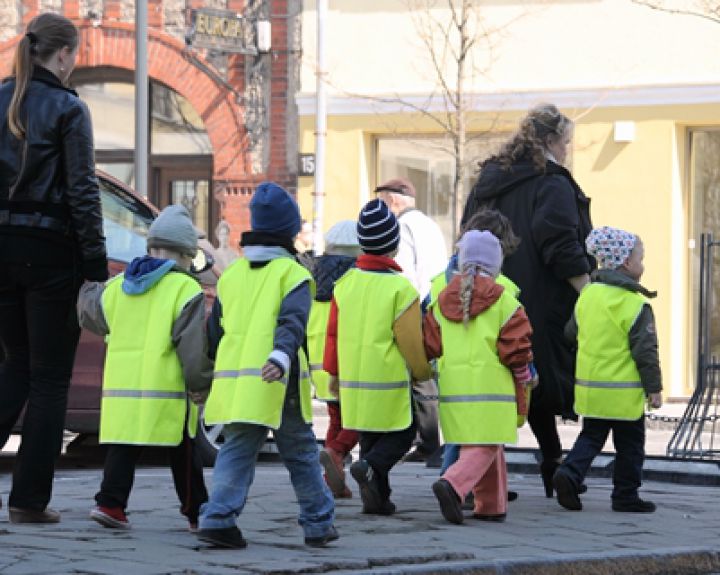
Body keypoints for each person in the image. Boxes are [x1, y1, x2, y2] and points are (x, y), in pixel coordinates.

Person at [0, 13, 108, 523]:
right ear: (64, 54)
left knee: (13, 367)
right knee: (47, 379)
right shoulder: (68, 108)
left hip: (0, 248)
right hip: (50, 252)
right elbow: (83, 191)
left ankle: (26, 499)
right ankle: (27, 502)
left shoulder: (2, 98)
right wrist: (94, 263)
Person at [460, 103, 595, 497]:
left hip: (486, 292)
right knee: (535, 379)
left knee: (499, 381)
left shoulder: (489, 179)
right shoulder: (551, 183)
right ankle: (545, 464)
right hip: (537, 297)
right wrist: (588, 290)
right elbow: (559, 243)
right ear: (552, 140)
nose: (568, 150)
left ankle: (513, 468)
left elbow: (468, 231)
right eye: (566, 142)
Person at [197, 182, 337, 549]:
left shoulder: (233, 276)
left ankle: (217, 518)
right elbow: (292, 322)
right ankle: (318, 521)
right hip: (279, 378)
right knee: (301, 451)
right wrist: (279, 355)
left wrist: (210, 366)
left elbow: (215, 331)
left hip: (240, 384)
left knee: (237, 449)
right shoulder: (292, 274)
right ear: (290, 230)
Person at [77, 205, 212, 530]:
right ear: (185, 254)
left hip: (122, 392)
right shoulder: (185, 290)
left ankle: (110, 504)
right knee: (185, 452)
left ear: (150, 248)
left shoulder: (118, 286)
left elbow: (91, 316)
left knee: (123, 448)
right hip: (166, 393)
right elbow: (192, 348)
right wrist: (200, 384)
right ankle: (198, 511)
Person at [323, 198, 433, 515]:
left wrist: (333, 374)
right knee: (403, 433)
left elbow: (333, 334)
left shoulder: (344, 285)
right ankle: (370, 467)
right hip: (388, 381)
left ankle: (378, 499)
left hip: (354, 381)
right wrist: (422, 372)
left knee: (370, 435)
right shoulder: (401, 290)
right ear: (394, 246)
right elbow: (411, 342)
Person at [424, 230, 534, 524]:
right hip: (493, 391)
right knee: (485, 444)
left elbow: (431, 345)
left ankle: (491, 505)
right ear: (496, 265)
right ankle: (454, 484)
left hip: (454, 389)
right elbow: (516, 346)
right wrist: (524, 373)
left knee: (487, 444)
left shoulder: (441, 301)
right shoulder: (504, 301)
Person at [553, 226, 662, 513]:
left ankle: (569, 473)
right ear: (626, 263)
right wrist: (654, 388)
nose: (643, 264)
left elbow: (570, 333)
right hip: (623, 394)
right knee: (631, 446)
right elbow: (645, 353)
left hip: (591, 390)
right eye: (640, 258)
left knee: (591, 437)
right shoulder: (634, 304)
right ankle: (625, 496)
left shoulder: (588, 295)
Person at [375, 178, 447, 465]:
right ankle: (428, 440)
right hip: (433, 300)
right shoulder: (428, 224)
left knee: (417, 376)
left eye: (382, 202)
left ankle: (427, 441)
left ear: (393, 201)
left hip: (414, 303)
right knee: (425, 372)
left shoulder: (402, 227)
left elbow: (402, 271)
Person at [308, 220, 361, 499]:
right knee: (359, 419)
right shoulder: (353, 283)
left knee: (335, 419)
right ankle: (336, 452)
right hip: (346, 366)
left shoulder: (314, 280)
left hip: (320, 369)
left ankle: (332, 478)